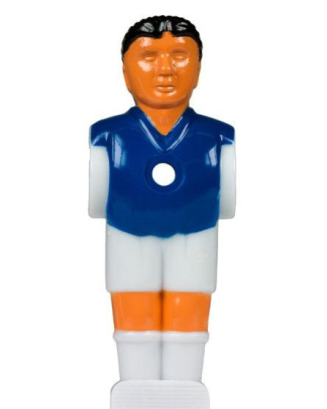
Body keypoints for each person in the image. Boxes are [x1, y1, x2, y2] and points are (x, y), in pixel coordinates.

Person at [89, 15, 236, 384]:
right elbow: (97, 199)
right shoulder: (108, 137)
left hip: (196, 239)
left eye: (180, 56)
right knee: (133, 320)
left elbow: (228, 201)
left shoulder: (217, 139)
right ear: (125, 72)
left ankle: (185, 389)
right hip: (127, 239)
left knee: (189, 318)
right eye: (149, 57)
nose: (166, 70)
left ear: (198, 69)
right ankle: (135, 390)